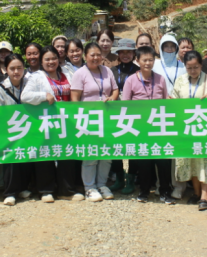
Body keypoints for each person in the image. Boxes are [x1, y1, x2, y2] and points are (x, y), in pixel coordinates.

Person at [6, 47, 61, 205]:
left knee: (56, 153)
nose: (51, 61)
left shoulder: (65, 73)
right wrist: (44, 96)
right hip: (36, 122)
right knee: (39, 154)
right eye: (47, 59)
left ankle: (56, 188)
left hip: (61, 121)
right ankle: (37, 190)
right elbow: (26, 97)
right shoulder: (35, 77)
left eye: (54, 58)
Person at [172, 51, 207, 211]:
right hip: (187, 126)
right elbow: (174, 99)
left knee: (206, 159)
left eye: (196, 67)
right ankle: (196, 192)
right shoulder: (180, 80)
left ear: (201, 65)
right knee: (192, 159)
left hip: (205, 127)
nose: (193, 70)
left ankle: (205, 196)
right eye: (189, 68)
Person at [122, 46, 173, 204]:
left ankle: (164, 191)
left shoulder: (160, 79)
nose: (148, 63)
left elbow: (165, 102)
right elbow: (125, 105)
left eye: (151, 60)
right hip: (140, 128)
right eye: (144, 60)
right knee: (144, 161)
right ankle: (144, 192)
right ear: (137, 61)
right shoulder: (131, 80)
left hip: (159, 126)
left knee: (163, 160)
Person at [70, 42, 119, 202]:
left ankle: (102, 185)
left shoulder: (107, 71)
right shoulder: (80, 74)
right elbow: (75, 99)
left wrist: (112, 98)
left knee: (106, 154)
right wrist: (79, 119)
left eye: (98, 54)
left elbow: (115, 89)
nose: (96, 57)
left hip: (107, 119)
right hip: (88, 120)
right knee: (90, 154)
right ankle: (89, 188)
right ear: (85, 56)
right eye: (92, 55)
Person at [0, 54, 41, 205]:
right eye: (12, 68)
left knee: (26, 159)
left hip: (29, 129)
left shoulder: (30, 84)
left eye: (19, 68)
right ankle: (10, 192)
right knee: (11, 161)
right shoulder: (0, 89)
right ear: (6, 70)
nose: (16, 72)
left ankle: (22, 188)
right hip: (10, 131)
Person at [153, 34, 189, 199]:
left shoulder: (182, 66)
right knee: (162, 150)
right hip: (160, 112)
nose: (169, 49)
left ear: (176, 48)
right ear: (161, 48)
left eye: (172, 46)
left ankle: (179, 185)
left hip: (179, 112)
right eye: (166, 46)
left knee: (178, 150)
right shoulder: (155, 65)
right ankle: (161, 184)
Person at [110, 39, 139, 193]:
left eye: (129, 52)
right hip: (115, 113)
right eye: (122, 52)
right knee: (116, 145)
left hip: (134, 113)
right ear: (118, 54)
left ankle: (131, 179)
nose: (125, 55)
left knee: (132, 146)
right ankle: (119, 178)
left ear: (134, 53)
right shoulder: (112, 71)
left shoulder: (138, 71)